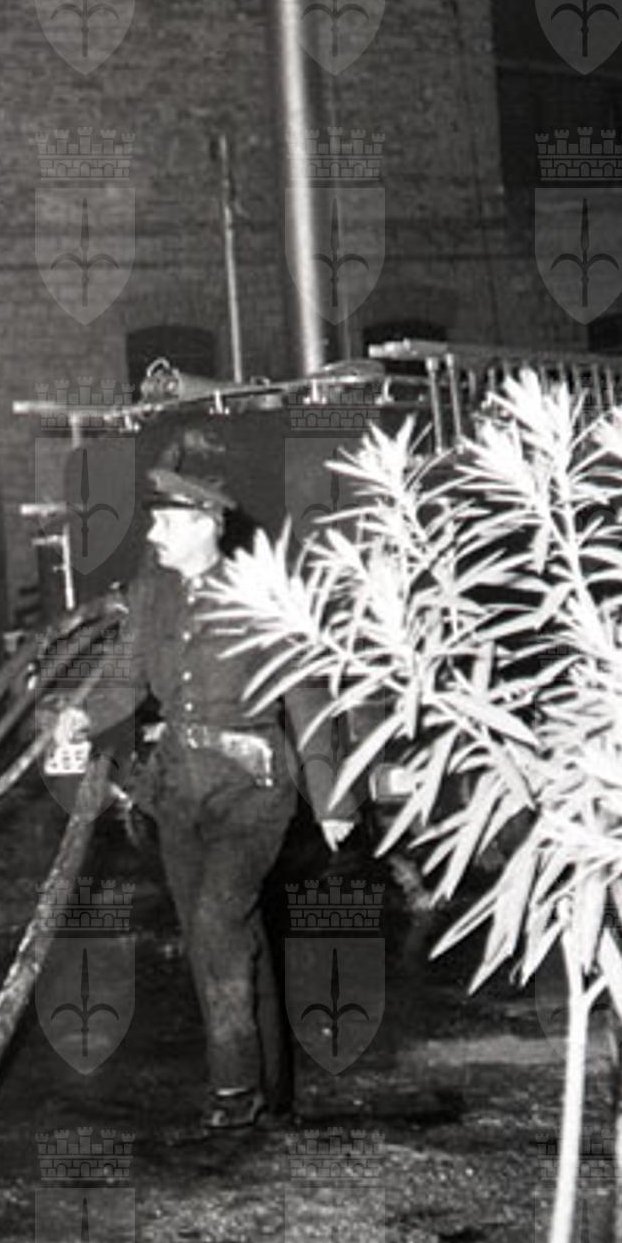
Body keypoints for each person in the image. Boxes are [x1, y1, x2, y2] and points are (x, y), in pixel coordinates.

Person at [113, 458, 357, 1135]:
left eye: (167, 522)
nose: (153, 534)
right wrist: (79, 717)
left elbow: (306, 699)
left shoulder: (259, 591)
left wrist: (332, 800)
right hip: (177, 791)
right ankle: (275, 1087)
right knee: (219, 937)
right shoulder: (153, 591)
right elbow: (125, 677)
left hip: (251, 792)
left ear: (206, 523)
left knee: (219, 924)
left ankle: (235, 1086)